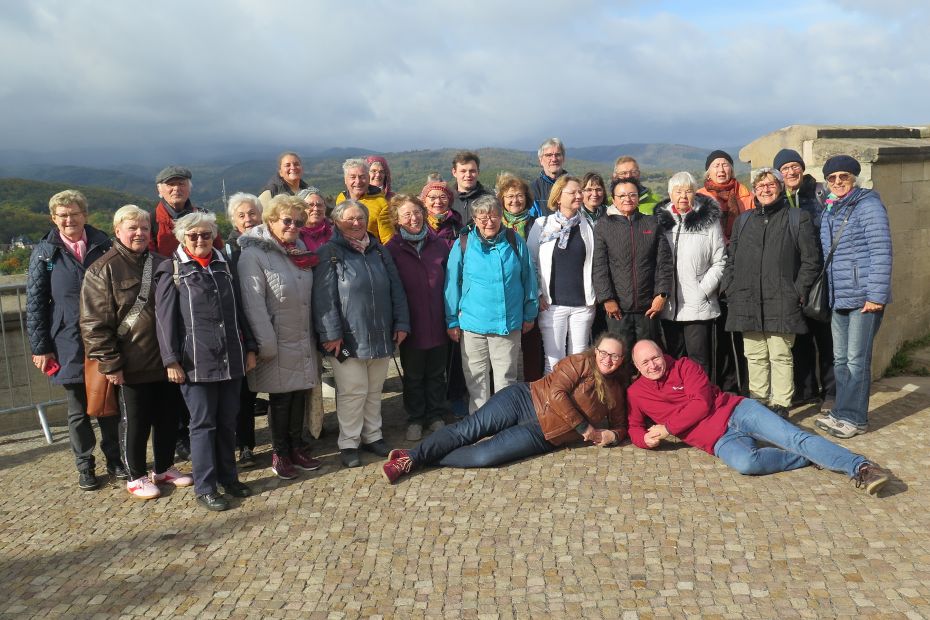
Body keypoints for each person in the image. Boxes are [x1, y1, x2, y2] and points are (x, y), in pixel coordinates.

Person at [627, 340, 892, 496]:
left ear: (663, 355)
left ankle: (861, 467)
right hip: (717, 440)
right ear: (637, 367)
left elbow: (702, 403)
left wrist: (668, 428)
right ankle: (810, 457)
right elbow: (634, 426)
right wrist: (644, 439)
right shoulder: (636, 393)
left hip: (737, 410)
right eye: (645, 363)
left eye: (656, 358)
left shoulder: (685, 366)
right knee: (746, 464)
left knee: (794, 437)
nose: (653, 366)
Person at [381, 333, 628, 483]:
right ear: (595, 351)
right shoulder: (580, 362)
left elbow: (621, 426)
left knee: (484, 456)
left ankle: (422, 455)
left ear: (622, 360)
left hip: (543, 436)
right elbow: (556, 393)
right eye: (604, 352)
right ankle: (410, 459)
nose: (608, 359)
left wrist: (612, 435)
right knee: (466, 431)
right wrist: (585, 428)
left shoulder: (616, 391)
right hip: (524, 401)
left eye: (614, 356)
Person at [81, 205, 193, 501]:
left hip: (165, 359)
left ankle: (165, 467)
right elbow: (94, 324)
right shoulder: (102, 269)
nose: (140, 233)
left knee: (168, 418)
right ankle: (135, 476)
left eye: (144, 228)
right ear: (117, 231)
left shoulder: (162, 261)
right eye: (132, 228)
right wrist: (110, 363)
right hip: (130, 363)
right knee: (136, 422)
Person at [155, 212, 253, 511]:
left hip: (231, 358)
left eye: (206, 235)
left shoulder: (225, 265)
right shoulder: (172, 269)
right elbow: (164, 319)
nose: (200, 240)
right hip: (195, 360)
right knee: (202, 425)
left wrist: (249, 347)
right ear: (183, 237)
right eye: (194, 235)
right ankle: (206, 486)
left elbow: (240, 310)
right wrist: (171, 360)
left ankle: (229, 477)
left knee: (227, 423)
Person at [27, 190, 123, 490]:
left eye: (74, 213)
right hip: (66, 339)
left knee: (108, 404)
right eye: (62, 215)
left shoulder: (104, 245)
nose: (68, 219)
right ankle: (85, 466)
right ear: (53, 218)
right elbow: (36, 302)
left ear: (85, 215)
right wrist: (41, 347)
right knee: (78, 410)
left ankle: (116, 461)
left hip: (104, 337)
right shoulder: (45, 252)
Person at [313, 200, 411, 467]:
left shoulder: (379, 251)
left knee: (374, 389)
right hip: (347, 338)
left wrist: (401, 323)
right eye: (349, 219)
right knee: (352, 391)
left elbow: (396, 289)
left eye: (360, 218)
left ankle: (373, 435)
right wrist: (331, 334)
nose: (356, 223)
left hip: (380, 333)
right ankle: (349, 442)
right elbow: (324, 299)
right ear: (336, 222)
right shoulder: (329, 253)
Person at [721, 168, 821, 418]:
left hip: (783, 299)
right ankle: (759, 401)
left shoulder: (797, 218)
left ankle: (780, 404)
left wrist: (797, 291)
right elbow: (731, 259)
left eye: (770, 184)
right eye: (760, 185)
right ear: (754, 191)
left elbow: (811, 260)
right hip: (746, 298)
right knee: (754, 355)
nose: (765, 189)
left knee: (780, 354)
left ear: (780, 187)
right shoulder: (744, 221)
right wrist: (731, 288)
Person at [237, 195, 322, 480]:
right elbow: (253, 303)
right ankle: (280, 451)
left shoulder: (298, 248)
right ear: (271, 220)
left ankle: (297, 446)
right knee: (281, 398)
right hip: (275, 337)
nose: (293, 226)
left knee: (299, 394)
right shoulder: (253, 254)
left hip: (300, 335)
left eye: (299, 222)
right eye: (287, 221)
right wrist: (265, 343)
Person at [814, 155, 892, 439]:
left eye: (843, 177)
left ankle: (855, 418)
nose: (837, 182)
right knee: (841, 360)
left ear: (854, 178)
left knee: (857, 360)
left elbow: (881, 251)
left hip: (863, 298)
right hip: (839, 297)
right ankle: (842, 412)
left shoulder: (868, 206)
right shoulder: (830, 209)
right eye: (832, 178)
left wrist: (876, 295)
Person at [150, 165, 222, 461]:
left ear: (189, 187)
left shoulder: (203, 216)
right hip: (168, 295)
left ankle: (202, 436)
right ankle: (181, 436)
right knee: (175, 374)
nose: (175, 189)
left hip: (201, 298)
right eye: (169, 185)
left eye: (180, 184)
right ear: (160, 189)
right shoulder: (152, 221)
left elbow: (217, 249)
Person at [444, 194, 539, 413]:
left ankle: (505, 422)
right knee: (476, 381)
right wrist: (451, 320)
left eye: (495, 215)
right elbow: (451, 285)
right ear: (474, 219)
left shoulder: (515, 241)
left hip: (507, 323)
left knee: (506, 378)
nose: (489, 221)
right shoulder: (463, 243)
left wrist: (529, 313)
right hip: (471, 324)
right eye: (483, 216)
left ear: (502, 217)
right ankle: (479, 424)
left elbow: (529, 279)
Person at [385, 195, 451, 441]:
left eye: (417, 212)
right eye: (406, 215)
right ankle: (415, 418)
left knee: (436, 373)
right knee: (413, 376)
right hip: (410, 324)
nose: (413, 218)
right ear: (397, 220)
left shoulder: (439, 244)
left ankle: (435, 415)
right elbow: (390, 289)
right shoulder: (391, 249)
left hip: (438, 321)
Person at [774, 149, 835, 411]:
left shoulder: (821, 193)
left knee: (826, 339)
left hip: (821, 278)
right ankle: (806, 389)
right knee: (799, 338)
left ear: (801, 167)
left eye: (794, 166)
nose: (790, 172)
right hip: (792, 280)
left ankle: (831, 393)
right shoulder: (778, 199)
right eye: (785, 168)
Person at [653, 172, 726, 378]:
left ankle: (701, 400)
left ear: (695, 193)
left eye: (688, 191)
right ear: (670, 194)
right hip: (668, 305)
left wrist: (703, 290)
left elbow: (720, 260)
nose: (683, 196)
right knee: (673, 358)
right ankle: (678, 401)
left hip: (698, 304)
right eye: (678, 191)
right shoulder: (661, 222)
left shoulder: (709, 222)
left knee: (699, 360)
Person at [592, 177, 672, 358]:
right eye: (621, 195)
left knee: (648, 356)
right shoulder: (604, 227)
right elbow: (599, 266)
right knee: (620, 357)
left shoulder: (652, 223)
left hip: (649, 308)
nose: (627, 199)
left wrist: (662, 294)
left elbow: (664, 263)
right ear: (613, 199)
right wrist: (607, 299)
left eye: (632, 194)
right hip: (618, 309)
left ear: (638, 197)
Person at [527, 175, 596, 374]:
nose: (579, 195)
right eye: (572, 192)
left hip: (583, 305)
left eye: (579, 191)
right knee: (554, 362)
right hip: (551, 304)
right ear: (558, 197)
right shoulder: (542, 225)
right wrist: (538, 293)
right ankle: (553, 404)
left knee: (579, 361)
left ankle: (575, 403)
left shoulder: (588, 226)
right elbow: (531, 262)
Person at [697, 150, 753, 395]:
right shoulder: (699, 198)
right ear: (708, 171)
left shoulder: (746, 195)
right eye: (716, 165)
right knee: (716, 332)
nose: (721, 170)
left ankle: (744, 386)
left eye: (726, 165)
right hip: (711, 268)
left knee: (741, 331)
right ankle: (719, 385)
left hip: (742, 266)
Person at [223, 192, 265, 469]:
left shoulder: (270, 244)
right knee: (244, 393)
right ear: (232, 220)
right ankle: (244, 446)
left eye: (252, 213)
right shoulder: (226, 249)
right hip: (242, 326)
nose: (248, 219)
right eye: (242, 215)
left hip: (271, 323)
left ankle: (289, 441)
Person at [497, 173, 545, 382]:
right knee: (504, 350)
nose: (515, 200)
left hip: (533, 290)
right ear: (502, 200)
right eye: (509, 196)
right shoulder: (495, 226)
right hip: (505, 292)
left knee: (532, 344)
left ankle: (533, 387)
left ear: (527, 198)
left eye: (519, 195)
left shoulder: (539, 224)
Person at [336, 158, 393, 243]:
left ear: (368, 178)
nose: (358, 181)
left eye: (362, 177)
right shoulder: (341, 198)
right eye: (353, 177)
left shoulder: (381, 204)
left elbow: (388, 240)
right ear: (345, 180)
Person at [449, 151, 495, 222]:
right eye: (463, 171)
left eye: (472, 171)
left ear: (478, 172)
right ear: (454, 172)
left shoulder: (489, 198)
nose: (468, 175)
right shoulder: (447, 199)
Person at [530, 138, 568, 214]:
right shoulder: (533, 189)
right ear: (540, 160)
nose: (554, 159)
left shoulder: (573, 186)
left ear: (563, 158)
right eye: (549, 155)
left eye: (558, 155)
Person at [420, 180, 462, 248]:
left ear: (449, 201)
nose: (438, 201)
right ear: (424, 201)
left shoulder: (456, 223)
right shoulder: (417, 222)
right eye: (432, 198)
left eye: (443, 197)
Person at [297, 187, 333, 251]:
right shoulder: (293, 232)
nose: (316, 209)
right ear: (300, 209)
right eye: (310, 205)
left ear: (325, 208)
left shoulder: (335, 232)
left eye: (319, 205)